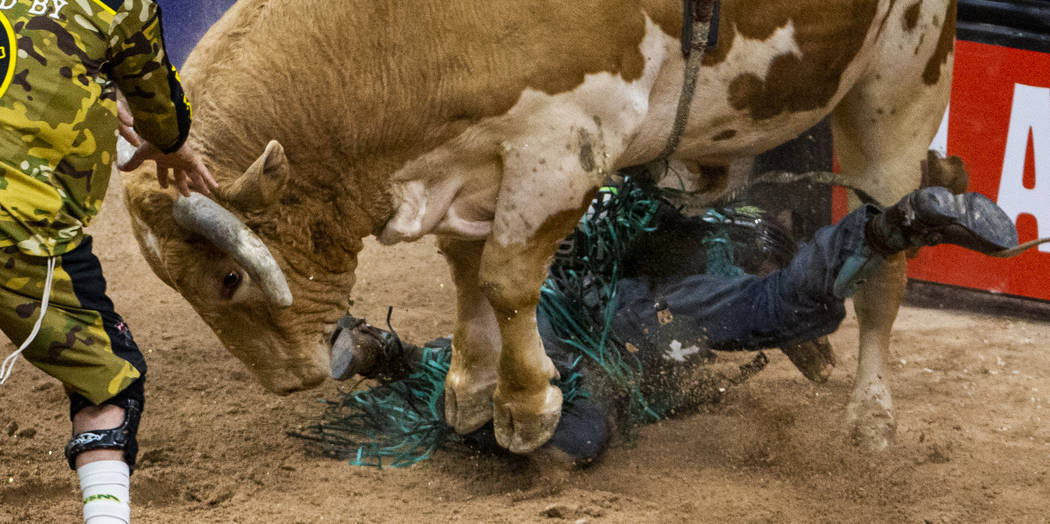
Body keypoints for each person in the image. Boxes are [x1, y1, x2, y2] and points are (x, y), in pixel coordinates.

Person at [317, 182, 1020, 467]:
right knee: (574, 428)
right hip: (612, 306)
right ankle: (892, 227)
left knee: (554, 412)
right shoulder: (735, 239)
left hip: (596, 298)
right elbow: (781, 305)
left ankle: (398, 358)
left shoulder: (706, 217)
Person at [0, 0, 217, 524]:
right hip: (23, 234)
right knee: (111, 385)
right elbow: (168, 121)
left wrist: (90, 97)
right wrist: (167, 140)